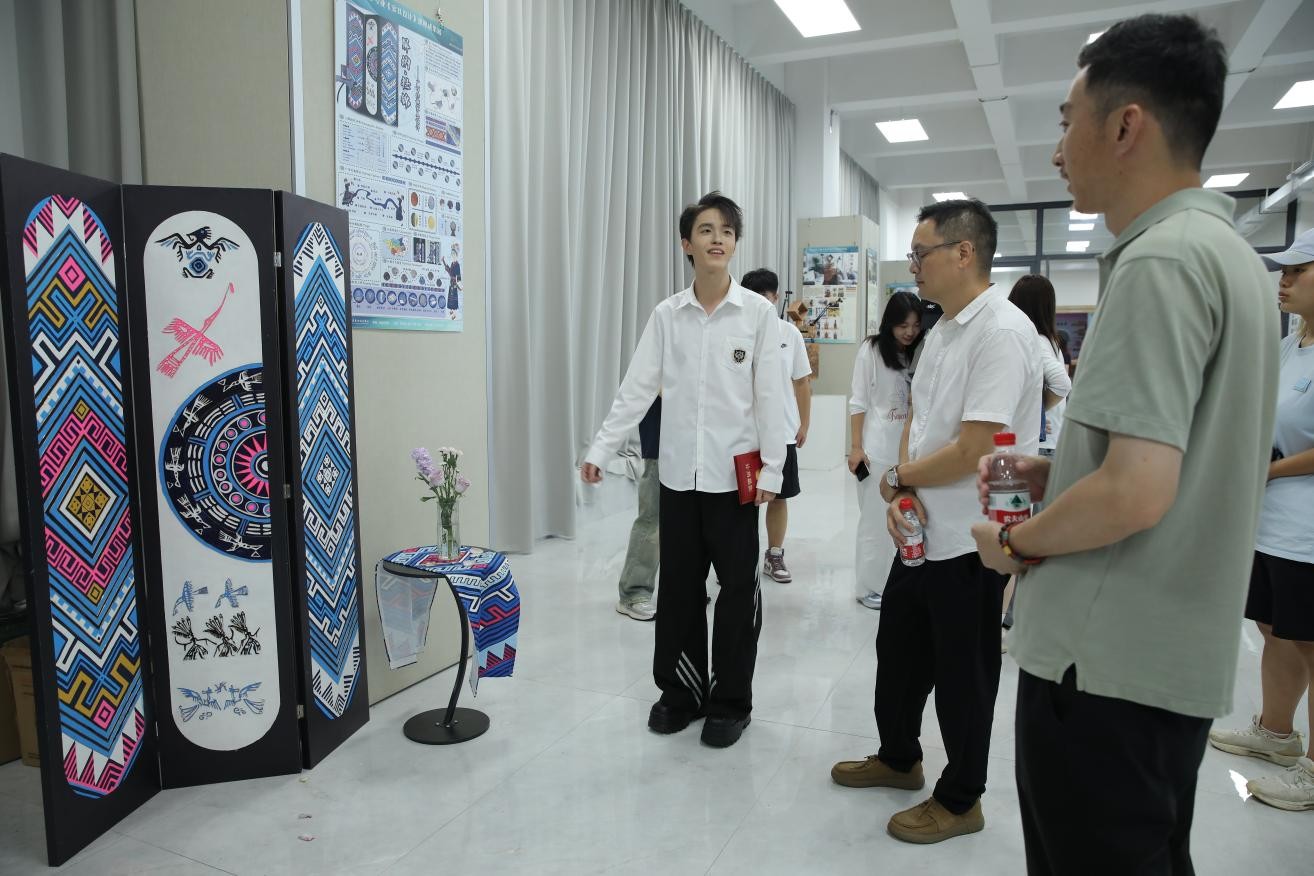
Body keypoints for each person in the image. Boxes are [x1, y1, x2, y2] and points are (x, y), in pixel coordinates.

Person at [969, 16, 1278, 873]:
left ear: (1126, 125)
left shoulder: (1160, 262)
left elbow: (1136, 490)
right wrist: (1061, 468)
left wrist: (1014, 545)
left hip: (1102, 665)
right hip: (1170, 655)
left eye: (1068, 120)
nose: (1058, 149)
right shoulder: (1230, 258)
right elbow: (1188, 457)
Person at [830, 198, 1041, 845]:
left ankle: (961, 798)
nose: (913, 265)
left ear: (964, 252)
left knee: (963, 676)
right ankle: (900, 758)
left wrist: (899, 478)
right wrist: (905, 489)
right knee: (897, 653)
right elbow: (921, 423)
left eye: (921, 253)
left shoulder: (1002, 332)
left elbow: (978, 447)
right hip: (924, 531)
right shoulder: (943, 329)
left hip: (972, 540)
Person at [581, 191, 786, 749]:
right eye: (706, 230)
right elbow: (637, 388)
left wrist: (773, 468)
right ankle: (680, 693)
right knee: (678, 590)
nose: (717, 239)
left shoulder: (757, 314)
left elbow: (771, 397)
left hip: (734, 482)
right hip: (677, 478)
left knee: (738, 591)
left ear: (735, 243)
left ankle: (731, 701)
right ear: (686, 244)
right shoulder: (667, 315)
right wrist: (601, 449)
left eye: (726, 231)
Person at [1207, 227, 1314, 811]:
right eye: (1284, 271)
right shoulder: (1292, 345)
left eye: (1300, 271)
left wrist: (1268, 469)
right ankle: (1276, 732)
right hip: (1273, 520)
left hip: (1307, 526)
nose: (1285, 281)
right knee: (1276, 628)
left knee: (1311, 642)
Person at [848, 291, 923, 609]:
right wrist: (856, 447)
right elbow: (858, 400)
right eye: (903, 325)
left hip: (911, 453)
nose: (909, 332)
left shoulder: (919, 351)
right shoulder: (872, 350)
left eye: (915, 325)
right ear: (890, 323)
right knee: (874, 523)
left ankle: (899, 584)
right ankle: (868, 587)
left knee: (908, 521)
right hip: (876, 452)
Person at [741, 268, 812, 583]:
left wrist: (804, 423)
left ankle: (774, 554)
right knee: (741, 500)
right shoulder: (737, 333)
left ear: (775, 299)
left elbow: (802, 382)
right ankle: (738, 558)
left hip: (781, 430)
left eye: (766, 300)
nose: (761, 306)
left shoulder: (789, 334)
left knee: (779, 496)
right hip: (744, 433)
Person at [615, 398, 662, 621]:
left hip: (701, 440)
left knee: (690, 519)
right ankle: (634, 593)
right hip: (664, 434)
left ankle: (686, 586)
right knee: (653, 518)